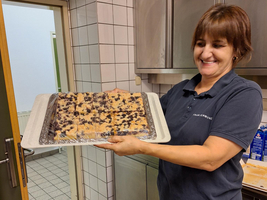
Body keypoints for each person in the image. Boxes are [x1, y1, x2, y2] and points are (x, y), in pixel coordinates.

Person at [95, 3, 263, 200]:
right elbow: (150, 118)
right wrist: (128, 101)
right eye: (201, 43)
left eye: (217, 45)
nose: (205, 53)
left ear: (237, 50)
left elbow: (211, 158)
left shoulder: (244, 93)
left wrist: (142, 147)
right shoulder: (181, 89)